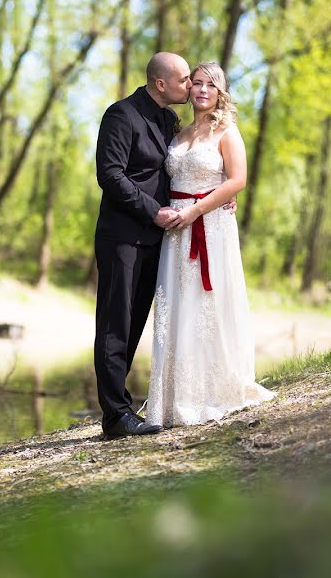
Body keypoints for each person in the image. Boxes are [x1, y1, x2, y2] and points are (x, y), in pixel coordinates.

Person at [144, 61, 275, 427]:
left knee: (208, 307)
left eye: (210, 85)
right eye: (196, 83)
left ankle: (212, 393)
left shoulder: (227, 131)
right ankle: (173, 400)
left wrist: (197, 210)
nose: (201, 90)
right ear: (187, 90)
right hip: (175, 229)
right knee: (177, 307)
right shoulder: (178, 132)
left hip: (210, 225)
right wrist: (176, 213)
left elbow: (237, 180)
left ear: (220, 93)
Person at [93, 52, 190, 440]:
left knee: (133, 324)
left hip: (156, 240)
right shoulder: (121, 114)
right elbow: (110, 175)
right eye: (184, 79)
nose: (190, 85)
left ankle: (121, 407)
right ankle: (115, 415)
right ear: (160, 82)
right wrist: (153, 211)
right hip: (122, 238)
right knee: (114, 325)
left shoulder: (169, 120)